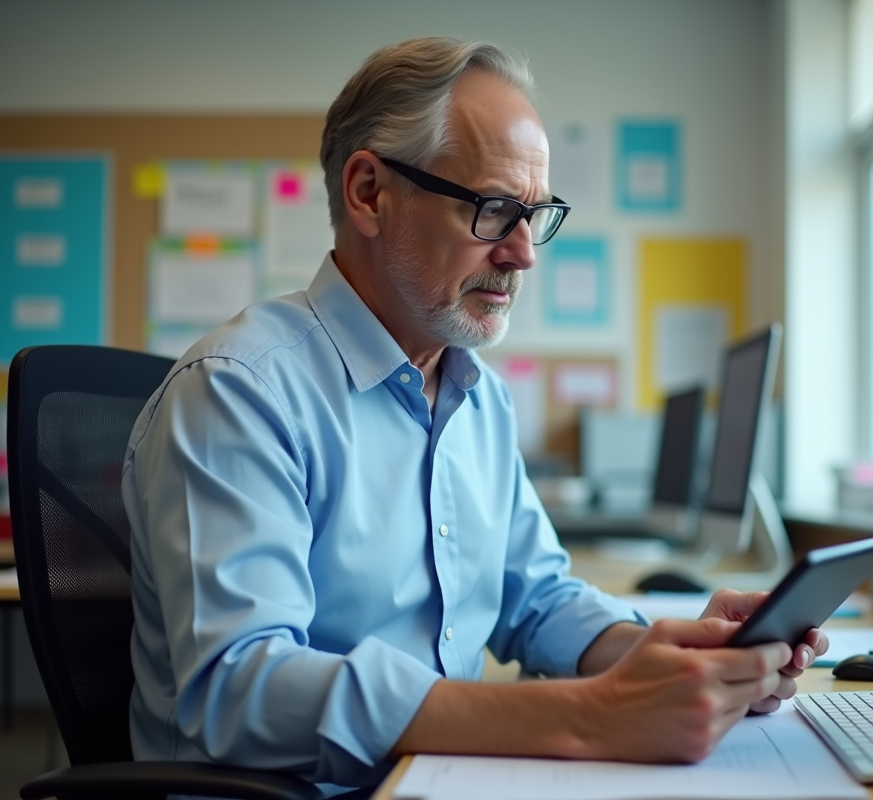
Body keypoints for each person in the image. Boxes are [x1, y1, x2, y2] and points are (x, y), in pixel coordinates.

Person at [122, 36, 828, 796]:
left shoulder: (477, 397)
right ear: (369, 192)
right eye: (495, 211)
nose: (524, 254)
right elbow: (237, 690)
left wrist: (671, 657)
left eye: (537, 216)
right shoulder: (239, 391)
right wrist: (588, 717)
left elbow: (535, 599)